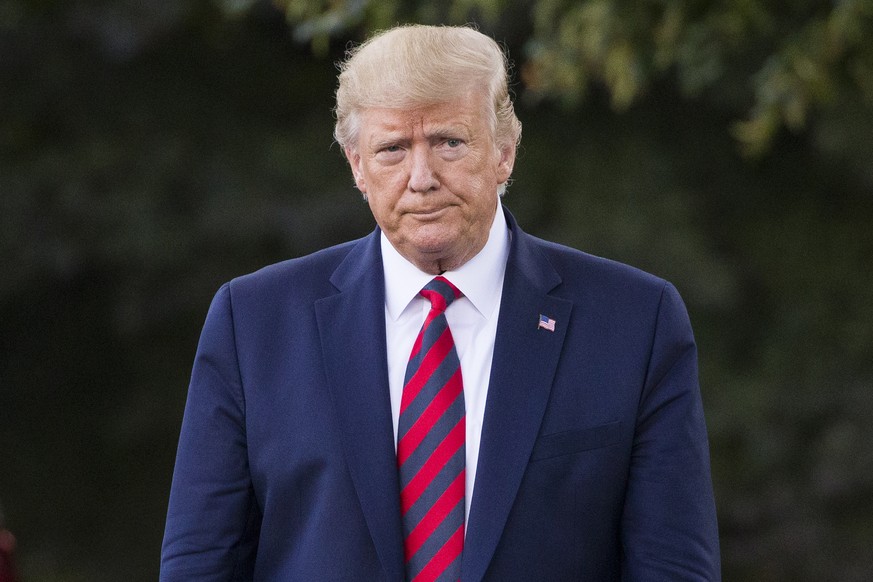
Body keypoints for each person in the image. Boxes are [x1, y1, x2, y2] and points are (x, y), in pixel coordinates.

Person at [160, 24, 720, 581]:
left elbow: (673, 568)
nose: (421, 177)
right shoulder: (254, 324)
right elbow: (201, 564)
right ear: (356, 165)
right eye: (392, 149)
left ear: (505, 151)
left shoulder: (633, 324)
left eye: (449, 142)